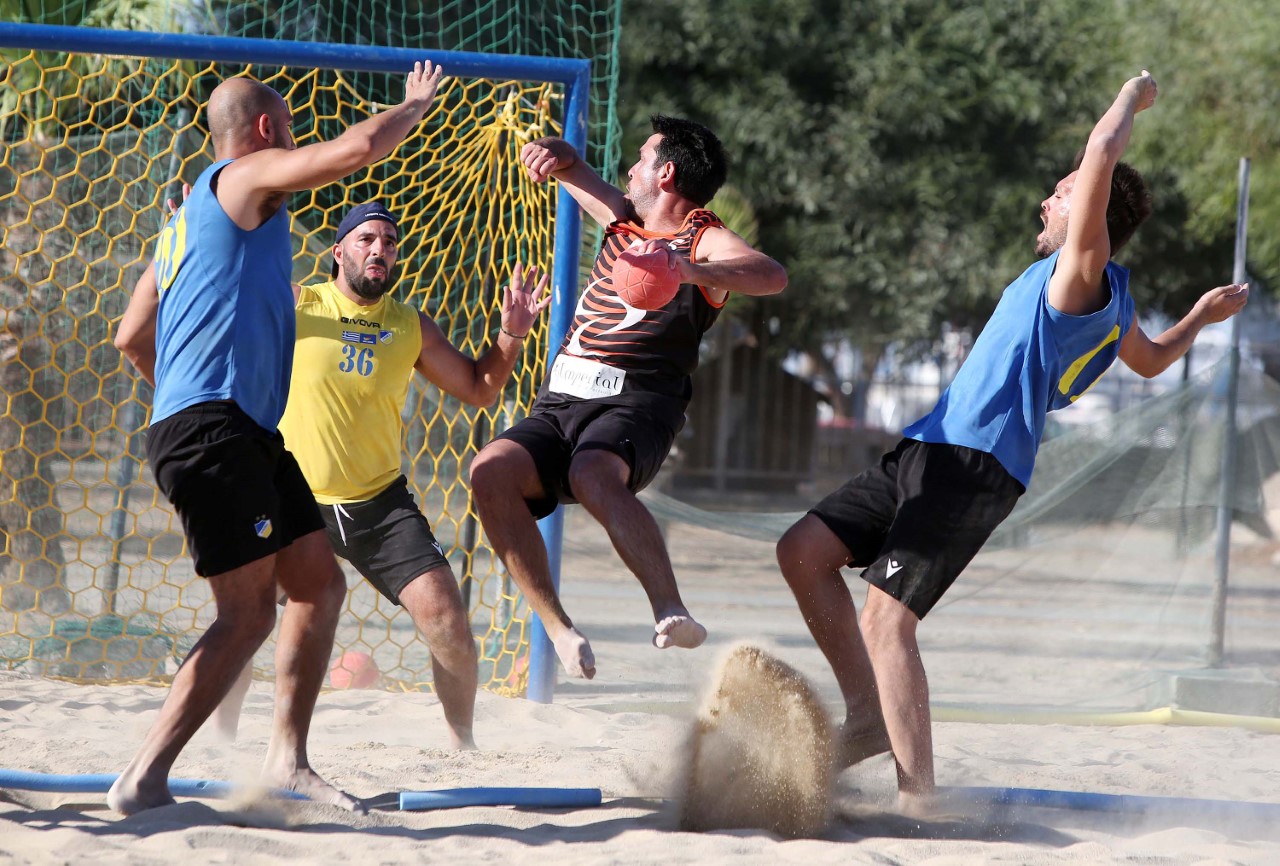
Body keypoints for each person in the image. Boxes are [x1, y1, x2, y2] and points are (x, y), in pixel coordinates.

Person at [776, 71, 1248, 816]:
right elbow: (1153, 359)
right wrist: (1200, 316)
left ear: (1090, 214)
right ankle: (867, 716)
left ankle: (918, 800)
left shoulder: (1080, 274)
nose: (1047, 199)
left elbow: (1102, 150)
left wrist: (1133, 97)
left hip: (976, 462)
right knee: (802, 551)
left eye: (1061, 193)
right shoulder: (1110, 296)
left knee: (885, 619)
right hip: (927, 449)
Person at [109, 61, 444, 815]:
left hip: (239, 432)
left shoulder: (181, 225)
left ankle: (288, 761)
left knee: (319, 583)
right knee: (249, 613)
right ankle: (143, 776)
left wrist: (178, 402)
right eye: (289, 129)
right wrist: (413, 107)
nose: (292, 144)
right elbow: (356, 151)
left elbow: (131, 338)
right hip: (217, 432)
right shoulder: (245, 176)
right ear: (265, 132)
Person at [214, 202, 549, 748]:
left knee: (450, 625)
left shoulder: (409, 325)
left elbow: (480, 389)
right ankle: (220, 739)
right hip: (294, 500)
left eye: (390, 241)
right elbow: (226, 300)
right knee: (245, 622)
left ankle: (462, 744)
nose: (380, 248)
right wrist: (194, 244)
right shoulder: (301, 304)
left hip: (379, 504)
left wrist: (510, 335)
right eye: (366, 238)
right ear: (339, 251)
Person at [469, 115, 788, 680]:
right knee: (488, 470)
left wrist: (685, 269)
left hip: (637, 402)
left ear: (666, 173)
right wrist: (554, 149)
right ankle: (558, 627)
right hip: (562, 397)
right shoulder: (622, 218)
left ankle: (670, 609)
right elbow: (568, 165)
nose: (631, 167)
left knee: (594, 475)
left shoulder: (701, 235)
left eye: (641, 158)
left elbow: (771, 274)